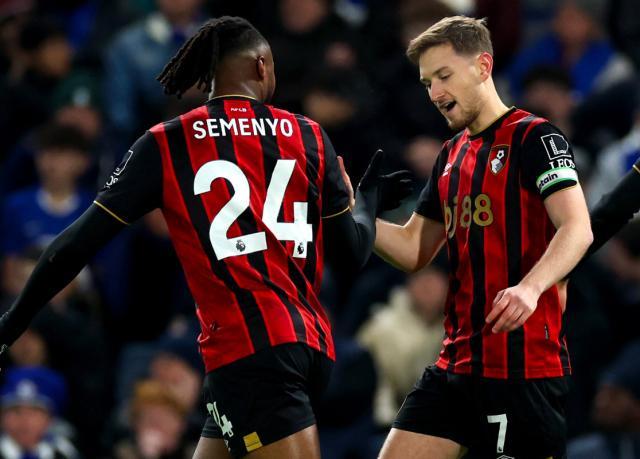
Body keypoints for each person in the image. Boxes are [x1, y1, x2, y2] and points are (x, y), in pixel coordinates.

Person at [0, 16, 412, 459]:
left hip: (248, 351)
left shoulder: (167, 142)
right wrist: (367, 199)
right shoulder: (309, 135)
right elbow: (352, 252)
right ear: (260, 66)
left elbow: (75, 245)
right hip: (303, 346)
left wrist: (11, 323)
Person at [342, 16, 594, 458]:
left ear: (482, 66)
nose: (435, 93)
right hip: (455, 366)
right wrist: (352, 214)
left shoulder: (535, 137)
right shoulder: (451, 155)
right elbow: (414, 249)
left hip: (522, 372)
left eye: (444, 76)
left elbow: (578, 227)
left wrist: (530, 288)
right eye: (427, 83)